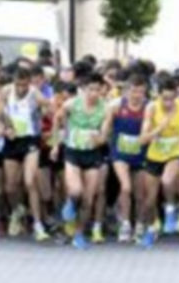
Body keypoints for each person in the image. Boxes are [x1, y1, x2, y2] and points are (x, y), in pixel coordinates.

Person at [52, 74, 108, 249]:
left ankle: (79, 234)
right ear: (83, 89)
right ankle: (69, 204)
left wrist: (99, 138)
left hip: (93, 155)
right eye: (90, 89)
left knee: (88, 200)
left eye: (97, 90)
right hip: (73, 153)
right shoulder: (72, 104)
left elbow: (104, 135)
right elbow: (57, 119)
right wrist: (55, 145)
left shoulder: (105, 108)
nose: (93, 93)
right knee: (76, 190)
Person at [0, 67, 51, 241]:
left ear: (29, 83)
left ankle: (38, 225)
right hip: (12, 140)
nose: (21, 89)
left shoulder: (35, 94)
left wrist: (44, 113)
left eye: (24, 85)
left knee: (30, 181)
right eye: (18, 85)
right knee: (10, 187)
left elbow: (49, 109)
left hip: (30, 140)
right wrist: (5, 129)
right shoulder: (6, 92)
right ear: (13, 82)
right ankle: (17, 210)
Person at [138, 77, 179, 245]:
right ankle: (151, 228)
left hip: (175, 151)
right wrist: (159, 128)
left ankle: (171, 211)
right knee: (149, 200)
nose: (168, 103)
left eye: (172, 99)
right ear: (158, 95)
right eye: (165, 99)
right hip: (155, 155)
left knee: (167, 181)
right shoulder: (152, 108)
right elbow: (143, 139)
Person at [100, 74, 149, 243]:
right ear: (126, 91)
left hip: (141, 154)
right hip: (120, 153)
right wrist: (102, 137)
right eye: (134, 91)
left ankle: (140, 224)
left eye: (141, 92)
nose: (137, 95)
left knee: (140, 194)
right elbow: (106, 126)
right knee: (126, 187)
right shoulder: (115, 106)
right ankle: (125, 223)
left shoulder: (149, 108)